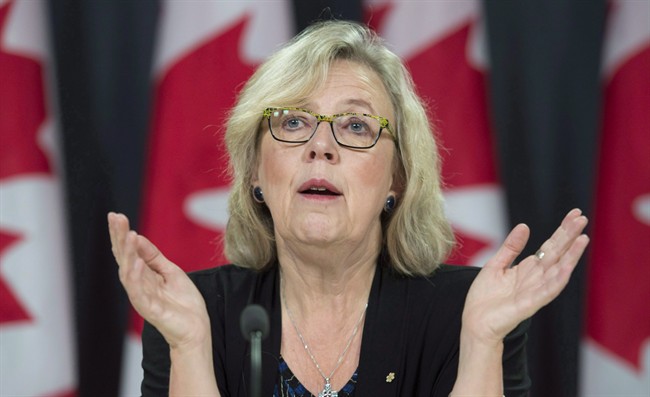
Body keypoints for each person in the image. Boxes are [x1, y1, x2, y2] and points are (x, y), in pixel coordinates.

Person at [108, 20, 589, 397]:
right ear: (255, 172)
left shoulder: (465, 311)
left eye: (357, 126)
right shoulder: (198, 313)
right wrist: (191, 347)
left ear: (396, 180)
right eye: (293, 122)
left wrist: (482, 342)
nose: (321, 146)